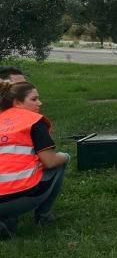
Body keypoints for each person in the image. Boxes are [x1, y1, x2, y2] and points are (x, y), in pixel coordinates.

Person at [0, 81, 70, 238]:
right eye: (34, 99)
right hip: (23, 195)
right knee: (59, 161)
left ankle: (6, 221)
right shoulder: (33, 121)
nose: (40, 103)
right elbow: (49, 161)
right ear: (17, 102)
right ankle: (43, 217)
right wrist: (65, 156)